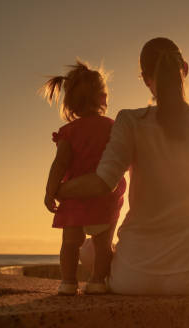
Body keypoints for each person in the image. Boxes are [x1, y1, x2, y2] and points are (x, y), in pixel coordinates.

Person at [56, 37, 189, 294]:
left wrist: (57, 190)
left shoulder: (129, 121)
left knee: (89, 248)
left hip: (130, 279)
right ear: (184, 69)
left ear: (144, 77)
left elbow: (102, 182)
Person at [41, 61, 126, 295]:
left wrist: (50, 191)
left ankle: (68, 283)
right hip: (103, 196)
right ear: (102, 99)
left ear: (71, 104)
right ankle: (98, 281)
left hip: (74, 198)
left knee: (70, 244)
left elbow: (60, 164)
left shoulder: (68, 132)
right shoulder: (112, 127)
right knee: (102, 245)